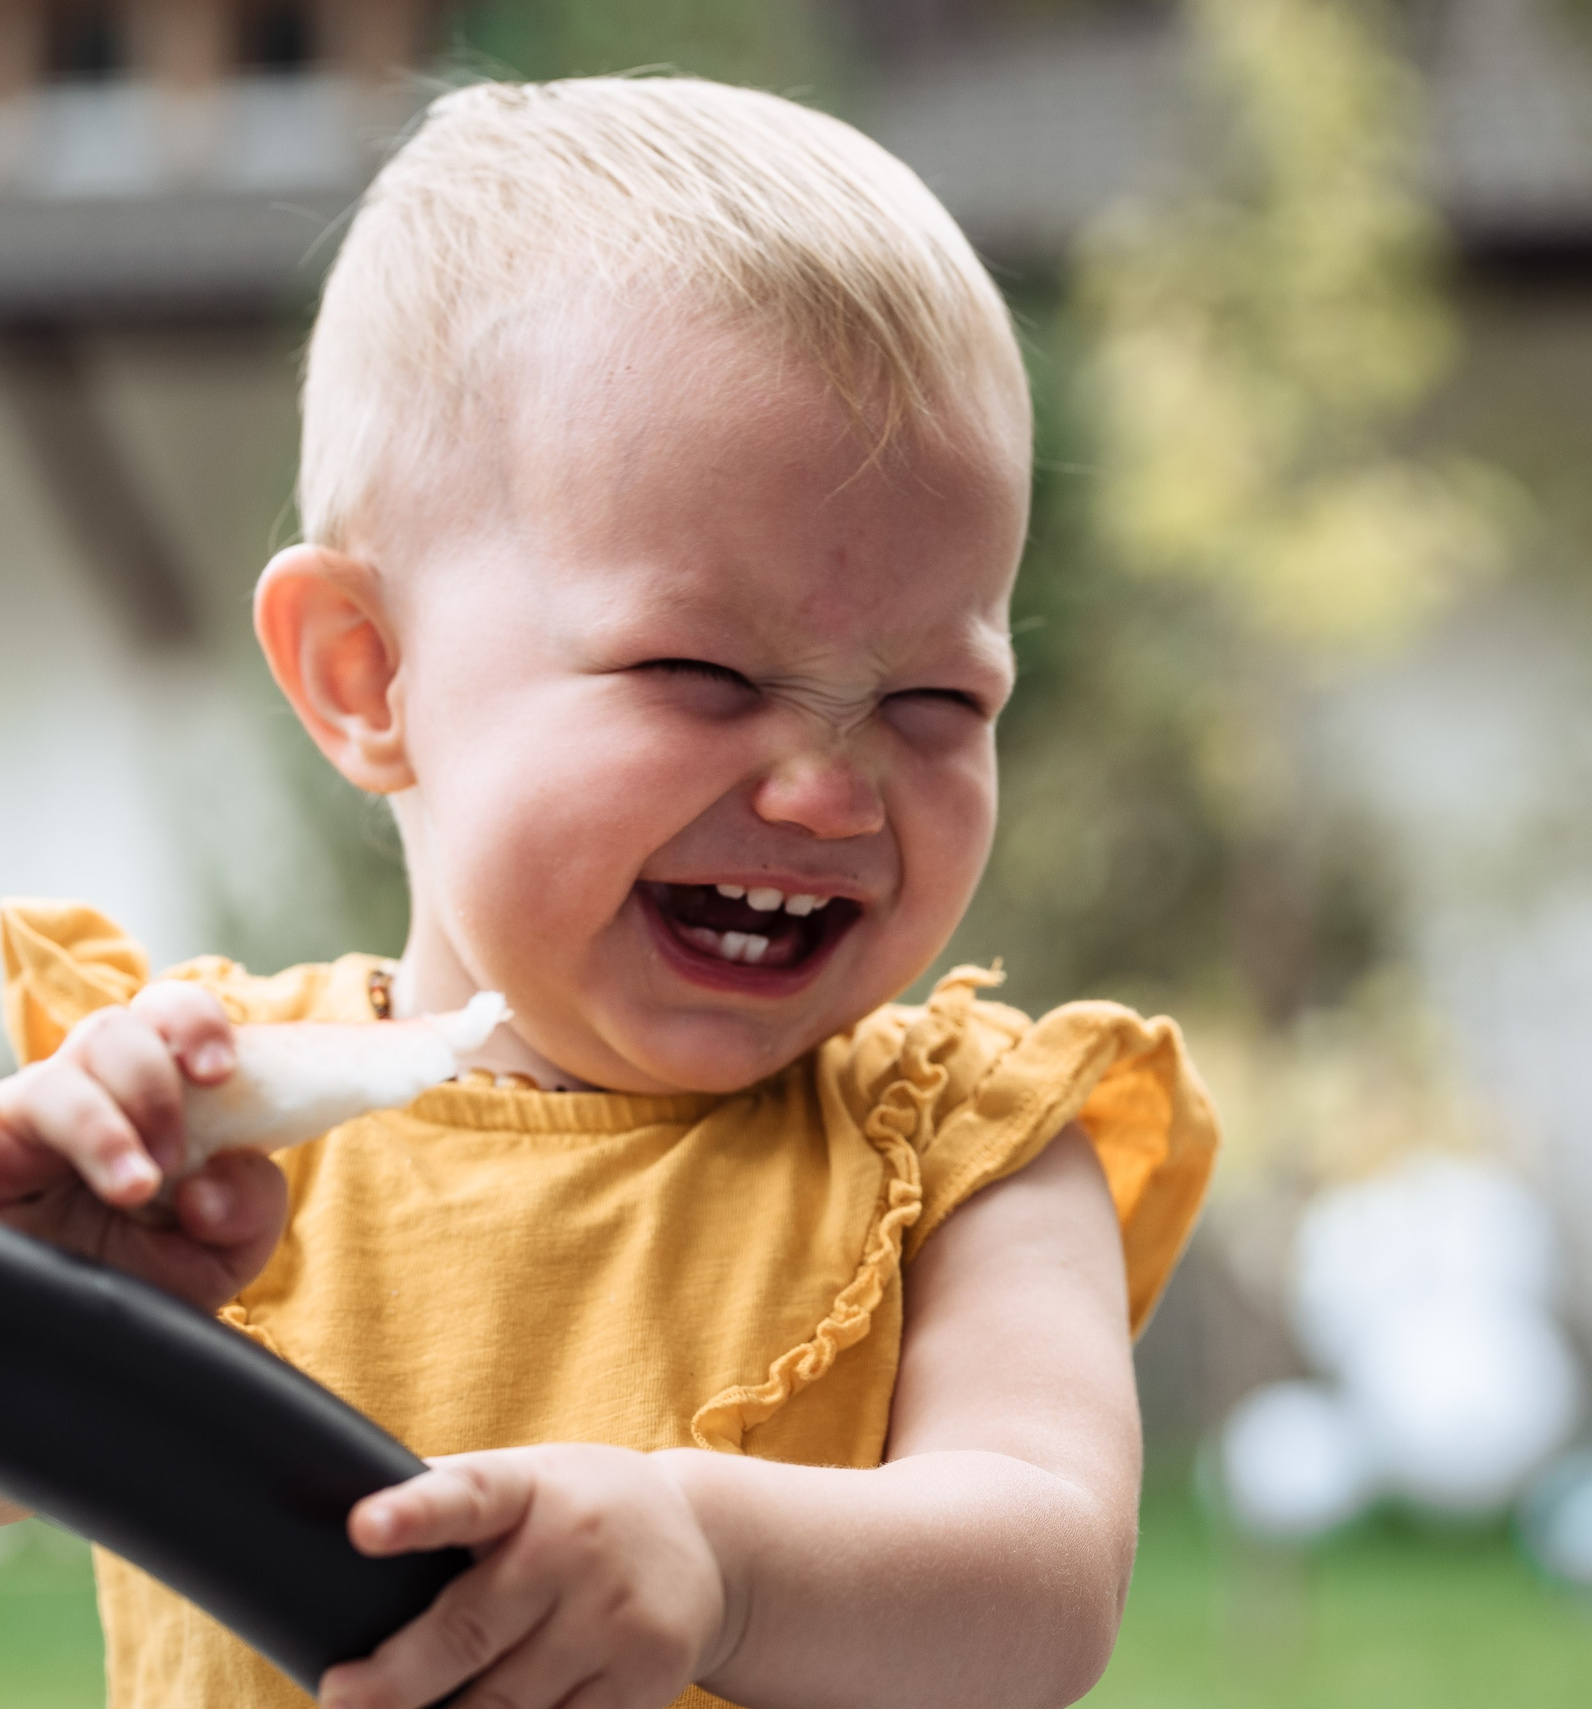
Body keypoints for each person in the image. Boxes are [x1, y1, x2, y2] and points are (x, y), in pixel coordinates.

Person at [0, 75, 1218, 1709]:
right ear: (370, 675)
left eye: (937, 702)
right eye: (699, 670)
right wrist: (59, 1303)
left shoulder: (970, 1156)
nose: (830, 785)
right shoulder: (172, 1135)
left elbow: (1044, 1584)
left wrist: (722, 1561)